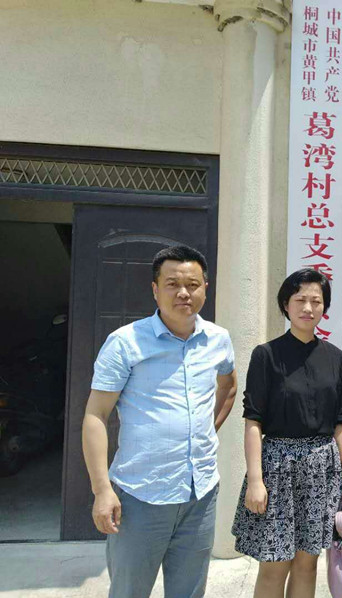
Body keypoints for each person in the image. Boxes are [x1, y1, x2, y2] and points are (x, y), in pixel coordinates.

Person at [82, 244, 237, 598]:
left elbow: (228, 387)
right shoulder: (125, 343)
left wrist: (202, 433)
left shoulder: (218, 340)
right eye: (172, 284)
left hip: (200, 494)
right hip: (141, 496)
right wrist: (102, 489)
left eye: (193, 285)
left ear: (205, 288)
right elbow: (95, 415)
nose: (184, 293)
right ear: (155, 289)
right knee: (129, 592)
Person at [231, 268, 342, 598]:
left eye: (316, 301)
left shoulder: (334, 356)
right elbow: (253, 421)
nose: (308, 308)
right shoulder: (266, 355)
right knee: (274, 564)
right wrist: (255, 480)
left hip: (321, 469)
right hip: (277, 469)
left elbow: (338, 422)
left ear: (324, 307)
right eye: (300, 300)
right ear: (285, 304)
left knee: (307, 564)